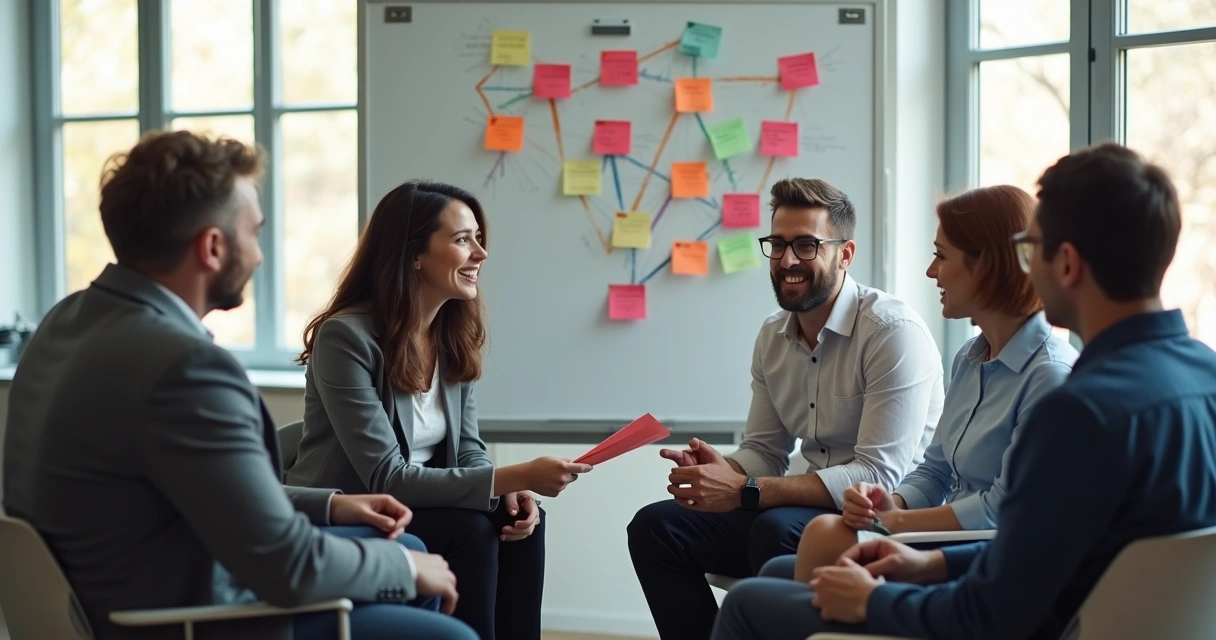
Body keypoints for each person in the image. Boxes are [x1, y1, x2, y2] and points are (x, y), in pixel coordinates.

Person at [710, 142, 1216, 640]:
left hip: (1028, 624)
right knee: (780, 575)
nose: (1026, 268)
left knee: (751, 602)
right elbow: (1040, 549)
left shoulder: (1080, 409)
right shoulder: (1204, 375)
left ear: (1067, 263)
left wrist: (877, 598)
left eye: (1030, 250)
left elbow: (995, 610)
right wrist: (927, 561)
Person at [2, 131, 475, 640]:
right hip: (188, 619)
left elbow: (199, 490)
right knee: (442, 615)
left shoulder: (65, 322)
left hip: (105, 593)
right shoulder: (186, 368)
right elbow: (286, 566)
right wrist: (401, 572)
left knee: (411, 550)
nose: (259, 255)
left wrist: (331, 504)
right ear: (211, 247)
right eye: (254, 233)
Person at [627, 177, 945, 639]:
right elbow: (764, 449)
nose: (787, 260)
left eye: (806, 245)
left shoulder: (891, 331)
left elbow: (878, 476)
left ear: (845, 254)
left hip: (881, 515)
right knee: (656, 527)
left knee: (774, 530)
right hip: (796, 510)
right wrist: (726, 470)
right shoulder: (772, 336)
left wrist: (746, 489)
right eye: (777, 245)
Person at [286, 180, 592, 640]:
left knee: (520, 518)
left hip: (419, 502)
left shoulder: (451, 335)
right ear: (414, 255)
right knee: (471, 529)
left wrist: (507, 490)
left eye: (479, 238)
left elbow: (469, 449)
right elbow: (387, 478)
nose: (481, 254)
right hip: (356, 506)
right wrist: (514, 477)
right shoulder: (346, 338)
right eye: (461, 239)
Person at [778, 185, 1078, 581]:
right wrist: (890, 503)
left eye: (941, 255)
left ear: (989, 265)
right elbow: (935, 472)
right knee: (778, 569)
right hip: (942, 538)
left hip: (984, 559)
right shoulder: (970, 358)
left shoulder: (1050, 375)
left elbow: (1000, 509)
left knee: (811, 546)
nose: (930, 271)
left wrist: (898, 523)